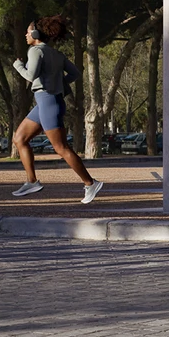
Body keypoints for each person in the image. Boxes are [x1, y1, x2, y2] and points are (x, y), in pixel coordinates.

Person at [10, 15, 105, 204]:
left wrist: (18, 65)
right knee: (19, 138)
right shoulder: (57, 54)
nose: (25, 34)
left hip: (48, 103)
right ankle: (32, 181)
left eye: (28, 31)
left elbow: (30, 75)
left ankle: (90, 183)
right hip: (47, 102)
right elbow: (75, 73)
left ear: (36, 33)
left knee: (61, 148)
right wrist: (59, 83)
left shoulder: (35, 51)